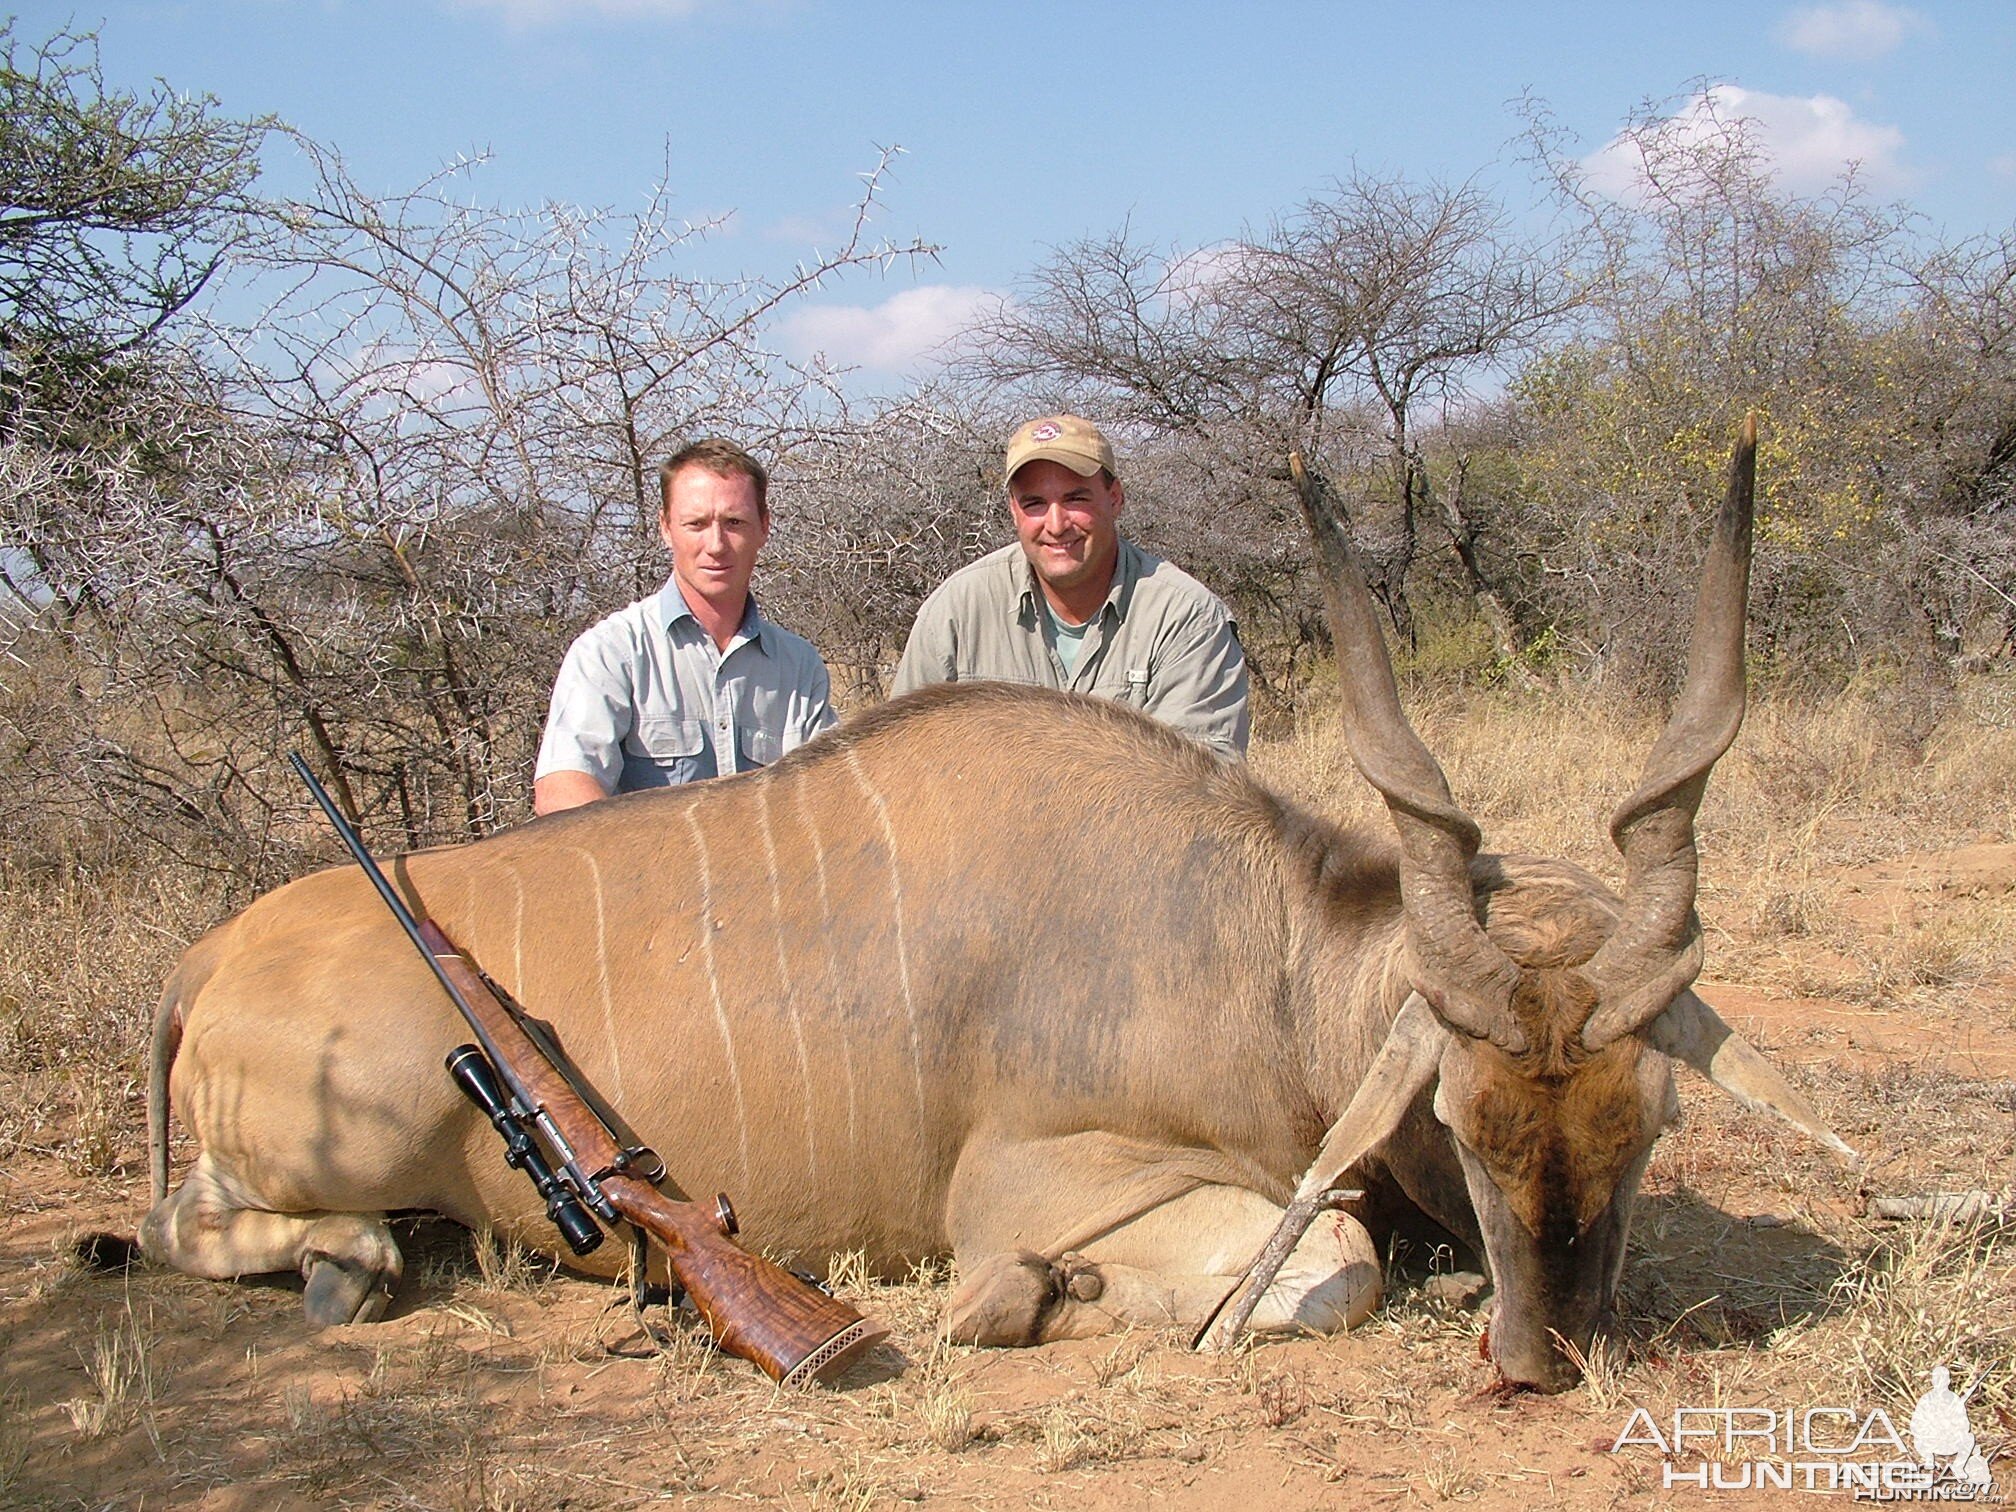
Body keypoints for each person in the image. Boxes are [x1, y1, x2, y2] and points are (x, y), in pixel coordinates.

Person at [891, 413, 1250, 757]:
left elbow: (1198, 798)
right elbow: (898, 763)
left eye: (1075, 498)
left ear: (1115, 499)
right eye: (1034, 503)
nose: (1056, 524)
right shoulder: (956, 610)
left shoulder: (1187, 618)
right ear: (1014, 512)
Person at [533, 439, 834, 814]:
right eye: (696, 524)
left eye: (734, 523)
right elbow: (563, 792)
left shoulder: (799, 666)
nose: (716, 545)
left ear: (764, 528)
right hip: (643, 869)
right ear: (665, 528)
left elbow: (827, 802)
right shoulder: (611, 651)